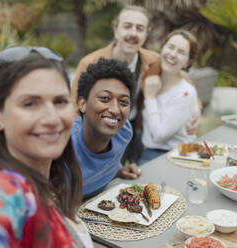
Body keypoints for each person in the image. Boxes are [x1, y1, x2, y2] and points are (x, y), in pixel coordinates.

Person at [0, 47, 92, 248]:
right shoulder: (1, 190)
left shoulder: (52, 181)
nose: (52, 118)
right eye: (30, 104)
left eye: (60, 101)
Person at [71, 5, 200, 166]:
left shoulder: (153, 60)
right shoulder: (90, 62)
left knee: (129, 174)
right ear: (116, 30)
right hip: (98, 129)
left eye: (140, 28)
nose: (133, 33)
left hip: (132, 128)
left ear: (146, 34)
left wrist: (196, 109)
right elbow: (75, 106)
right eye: (127, 26)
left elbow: (182, 79)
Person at [72, 58, 141, 200]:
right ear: (82, 104)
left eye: (123, 102)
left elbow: (103, 164)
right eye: (104, 98)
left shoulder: (124, 132)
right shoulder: (64, 148)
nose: (115, 110)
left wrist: (118, 171)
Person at [138, 29, 200, 165]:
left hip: (173, 156)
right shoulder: (150, 74)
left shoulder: (186, 93)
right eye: (170, 47)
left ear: (187, 62)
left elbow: (160, 135)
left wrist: (149, 96)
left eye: (181, 52)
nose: (172, 54)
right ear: (162, 48)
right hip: (146, 150)